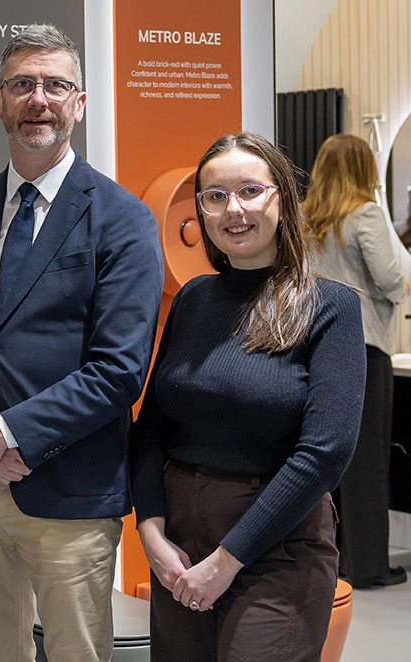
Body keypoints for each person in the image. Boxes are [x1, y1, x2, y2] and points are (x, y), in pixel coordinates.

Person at [0, 24, 163, 662]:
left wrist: (7, 435)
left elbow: (118, 371)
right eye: (23, 85)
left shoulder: (123, 219)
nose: (39, 99)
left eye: (56, 86)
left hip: (70, 489)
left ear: (79, 104)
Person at [130, 132, 365, 661]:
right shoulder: (193, 299)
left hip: (278, 546)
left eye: (250, 191)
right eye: (215, 196)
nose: (233, 210)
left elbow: (324, 454)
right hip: (179, 543)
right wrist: (151, 532)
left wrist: (226, 561)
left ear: (282, 197)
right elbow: (151, 427)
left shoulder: (330, 307)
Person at [304, 134, 408, 589]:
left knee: (333, 456)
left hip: (320, 345)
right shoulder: (365, 213)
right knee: (368, 458)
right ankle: (368, 564)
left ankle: (337, 558)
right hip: (365, 344)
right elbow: (389, 277)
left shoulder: (308, 218)